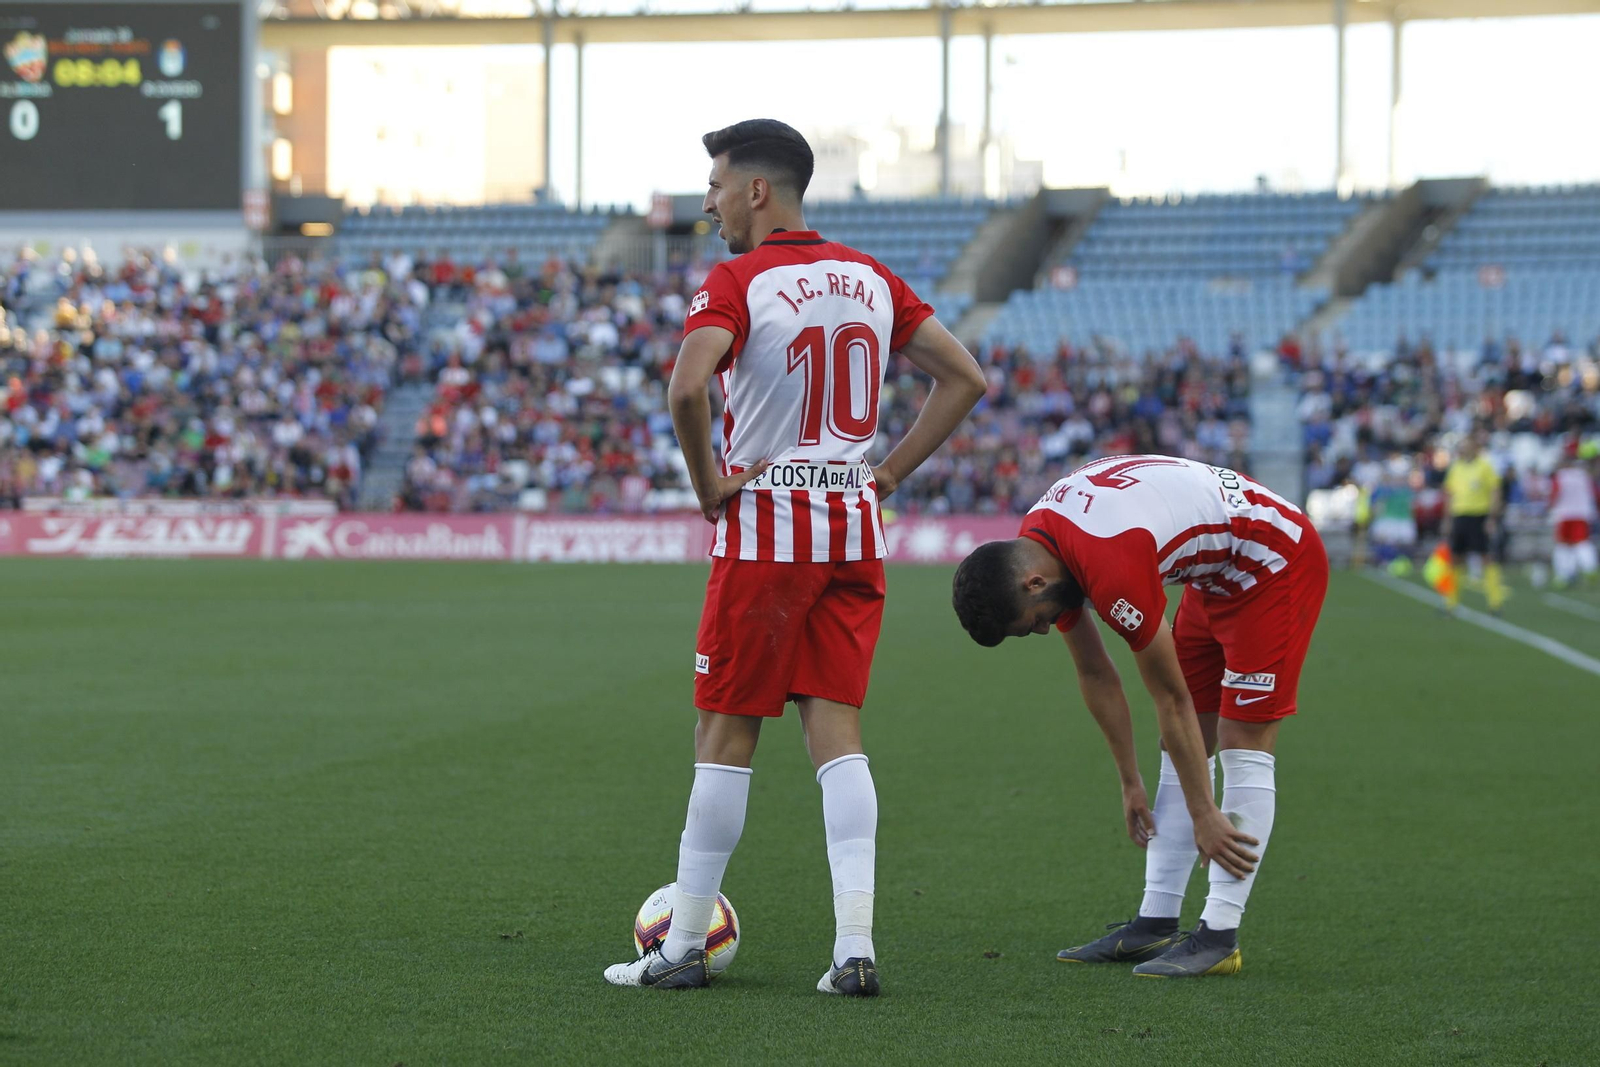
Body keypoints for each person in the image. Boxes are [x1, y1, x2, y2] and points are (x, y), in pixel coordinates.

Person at [603, 119, 986, 995]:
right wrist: (889, 470)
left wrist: (708, 483)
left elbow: (687, 386)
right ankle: (854, 948)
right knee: (838, 735)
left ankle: (682, 945)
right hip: (852, 524)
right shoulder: (872, 277)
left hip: (769, 524)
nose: (709, 204)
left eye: (715, 186)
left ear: (757, 190)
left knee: (725, 732)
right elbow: (966, 377)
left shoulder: (739, 279)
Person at [951, 455, 1328, 978]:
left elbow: (1169, 698)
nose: (1042, 630)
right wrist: (1130, 780)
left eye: (1032, 623)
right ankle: (1156, 923)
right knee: (1182, 742)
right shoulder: (1040, 547)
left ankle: (1220, 935)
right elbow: (1095, 673)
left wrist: (1204, 812)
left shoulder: (1110, 568)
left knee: (1242, 739)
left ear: (1033, 585)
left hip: (1273, 561)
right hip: (1215, 573)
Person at [1441, 429, 1505, 614]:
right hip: (1460, 516)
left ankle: (1495, 602)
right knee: (1456, 558)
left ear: (1475, 447)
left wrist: (1491, 518)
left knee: (1486, 557)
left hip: (1479, 516)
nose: (1464, 449)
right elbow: (1449, 494)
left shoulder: (1485, 466)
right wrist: (1447, 519)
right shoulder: (1456, 467)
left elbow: (1495, 491)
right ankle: (1451, 603)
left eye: (1468, 446)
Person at [1548, 438, 1599, 589]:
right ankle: (1589, 568)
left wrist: (1550, 507)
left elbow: (1554, 495)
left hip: (1564, 514)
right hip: (1582, 513)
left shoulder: (1561, 475)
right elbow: (1595, 495)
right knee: (1582, 542)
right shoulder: (1585, 475)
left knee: (1564, 545)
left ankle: (1565, 575)